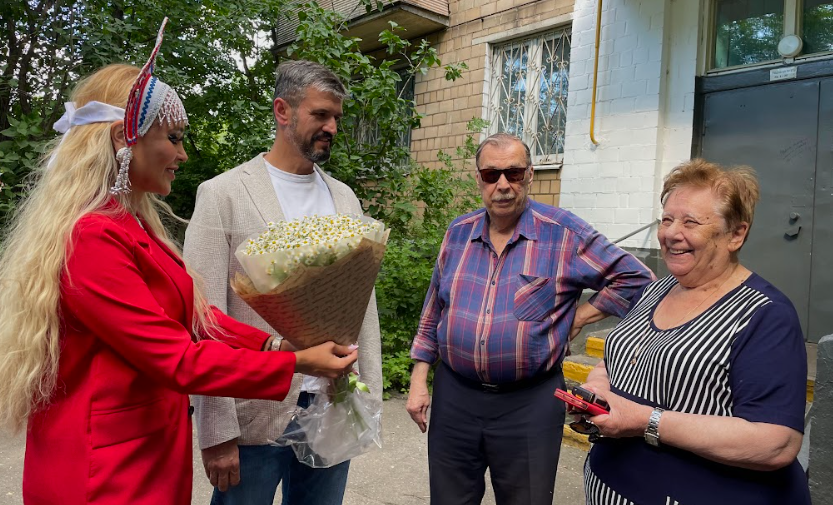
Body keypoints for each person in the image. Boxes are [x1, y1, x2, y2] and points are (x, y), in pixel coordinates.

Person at [0, 22, 357, 505]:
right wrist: (294, 362)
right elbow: (176, 356)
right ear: (125, 140)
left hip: (143, 450)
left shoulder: (131, 225)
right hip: (104, 471)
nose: (183, 154)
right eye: (173, 137)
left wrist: (275, 342)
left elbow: (198, 319)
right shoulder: (90, 237)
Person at [405, 133, 654, 505]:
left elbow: (637, 278)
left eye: (514, 173)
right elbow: (434, 310)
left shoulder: (563, 233)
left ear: (530, 175)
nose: (503, 184)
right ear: (479, 179)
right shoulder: (458, 233)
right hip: (456, 397)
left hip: (529, 403)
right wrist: (419, 380)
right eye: (491, 175)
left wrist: (581, 315)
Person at [184, 59, 382, 505]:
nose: (331, 127)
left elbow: (361, 305)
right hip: (254, 410)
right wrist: (215, 431)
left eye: (337, 118)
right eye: (320, 115)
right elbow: (205, 316)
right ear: (282, 111)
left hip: (333, 401)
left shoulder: (344, 197)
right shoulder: (224, 194)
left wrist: (367, 392)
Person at [580, 159, 811, 504]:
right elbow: (622, 359)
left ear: (736, 234)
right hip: (610, 483)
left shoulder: (765, 315)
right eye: (668, 220)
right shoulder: (655, 290)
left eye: (691, 222)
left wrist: (647, 420)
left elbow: (775, 443)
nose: (672, 233)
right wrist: (597, 389)